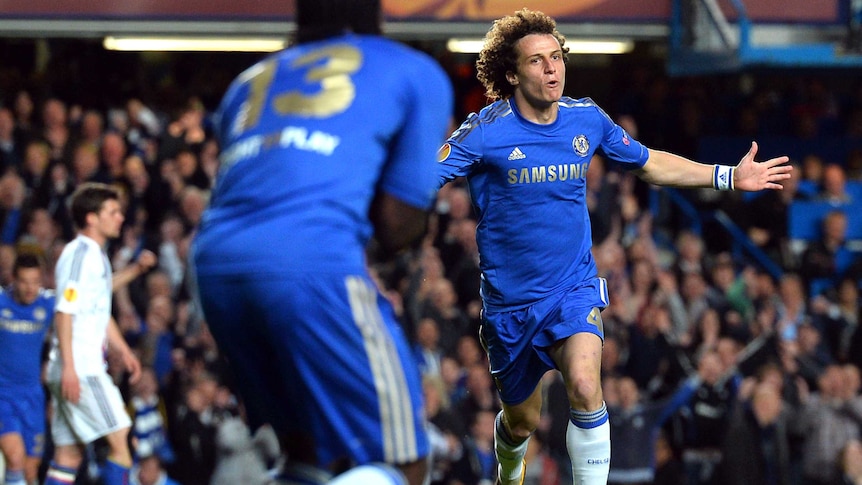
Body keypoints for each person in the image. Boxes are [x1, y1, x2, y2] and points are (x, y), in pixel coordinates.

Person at [434, 8, 793, 484]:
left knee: (585, 385)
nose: (552, 68)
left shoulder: (587, 119)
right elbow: (420, 179)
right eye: (537, 61)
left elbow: (649, 163)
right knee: (522, 421)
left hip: (572, 289)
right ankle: (510, 462)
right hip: (510, 307)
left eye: (556, 57)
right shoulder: (485, 131)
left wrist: (725, 175)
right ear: (511, 73)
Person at [190, 0, 453, 484]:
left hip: (215, 264)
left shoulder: (248, 80)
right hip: (310, 261)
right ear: (376, 15)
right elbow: (398, 221)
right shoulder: (414, 70)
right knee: (401, 458)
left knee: (306, 454)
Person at [44, 182, 142, 485]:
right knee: (121, 437)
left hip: (74, 368)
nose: (120, 217)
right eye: (112, 212)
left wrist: (123, 350)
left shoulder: (97, 256)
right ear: (91, 217)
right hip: (82, 369)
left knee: (68, 456)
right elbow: (64, 311)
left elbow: (98, 313)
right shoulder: (78, 254)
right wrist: (71, 368)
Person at [0, 253, 55, 485]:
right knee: (15, 458)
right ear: (13, 279)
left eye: (35, 281)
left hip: (33, 397)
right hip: (3, 395)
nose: (30, 288)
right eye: (24, 281)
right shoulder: (1, 302)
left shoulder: (47, 303)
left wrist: (135, 270)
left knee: (31, 471)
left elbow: (93, 293)